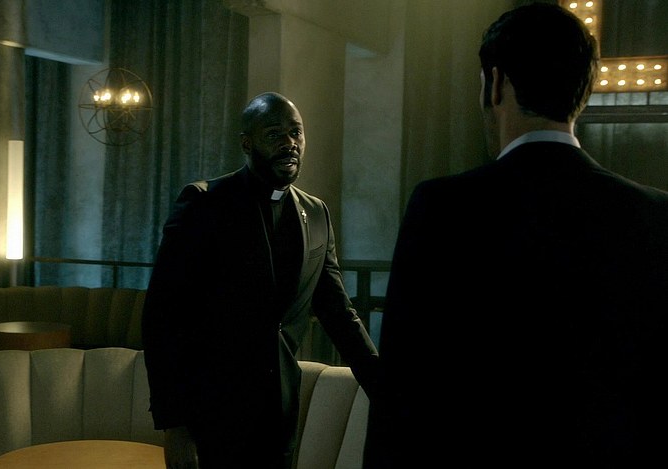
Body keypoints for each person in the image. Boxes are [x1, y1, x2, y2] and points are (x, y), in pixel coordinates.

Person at [364, 3, 668, 468]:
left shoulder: (443, 208)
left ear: (495, 83)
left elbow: (403, 391)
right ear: (583, 90)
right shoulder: (654, 215)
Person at [142, 91, 380, 469]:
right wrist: (175, 425)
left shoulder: (317, 213)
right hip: (209, 417)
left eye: (295, 132)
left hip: (279, 419)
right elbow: (162, 318)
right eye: (274, 134)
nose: (289, 143)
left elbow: (338, 312)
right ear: (246, 144)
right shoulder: (205, 203)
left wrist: (384, 387)